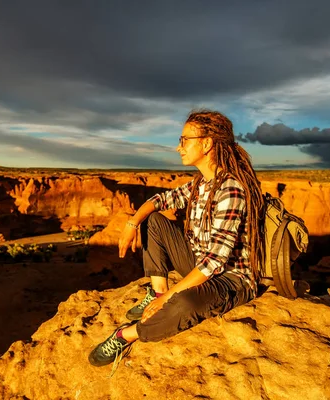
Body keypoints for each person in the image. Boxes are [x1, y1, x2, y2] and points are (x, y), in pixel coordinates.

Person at [88, 110, 264, 367]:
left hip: (232, 279)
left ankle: (126, 334)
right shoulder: (201, 183)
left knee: (183, 303)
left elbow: (215, 261)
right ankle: (157, 294)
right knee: (154, 220)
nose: (178, 147)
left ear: (206, 143)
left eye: (184, 140)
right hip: (199, 263)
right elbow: (158, 201)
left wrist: (172, 296)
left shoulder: (231, 189)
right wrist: (132, 222)